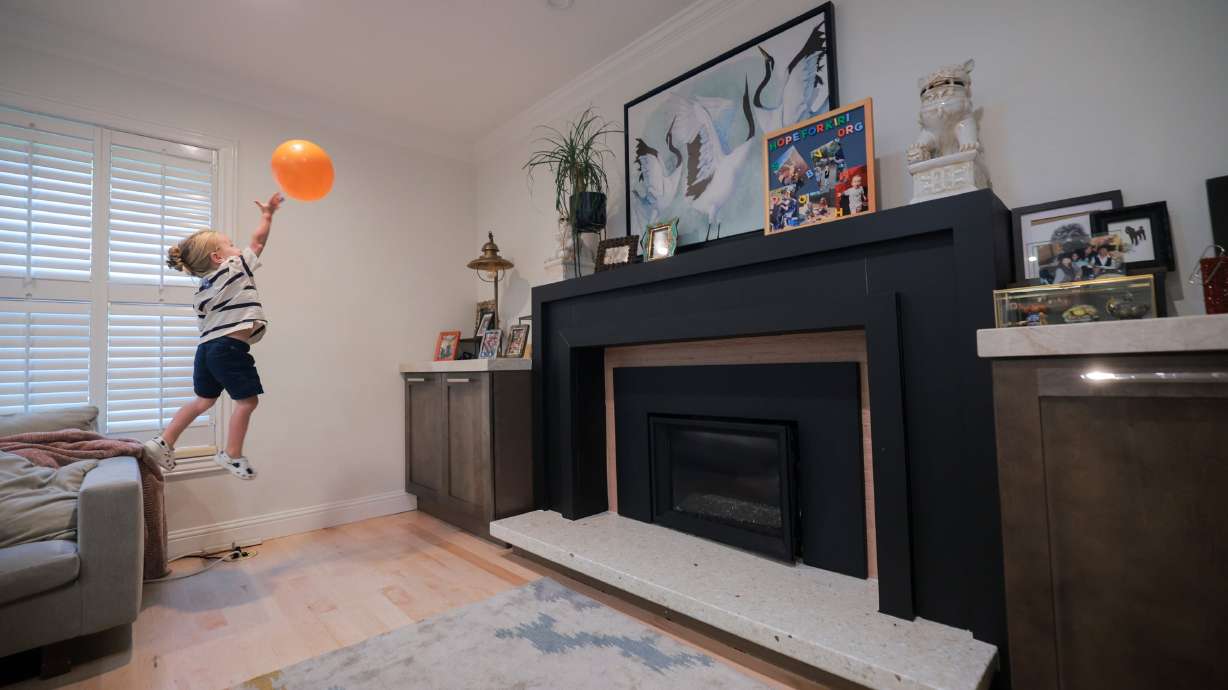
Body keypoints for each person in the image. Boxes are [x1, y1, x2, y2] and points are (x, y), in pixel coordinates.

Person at [141, 193, 284, 480]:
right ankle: (232, 454)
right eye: (231, 245)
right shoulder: (235, 269)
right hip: (228, 348)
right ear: (218, 258)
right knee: (247, 402)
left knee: (203, 401)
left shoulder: (202, 290)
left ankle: (164, 441)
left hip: (205, 350)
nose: (237, 248)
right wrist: (267, 216)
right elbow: (258, 242)